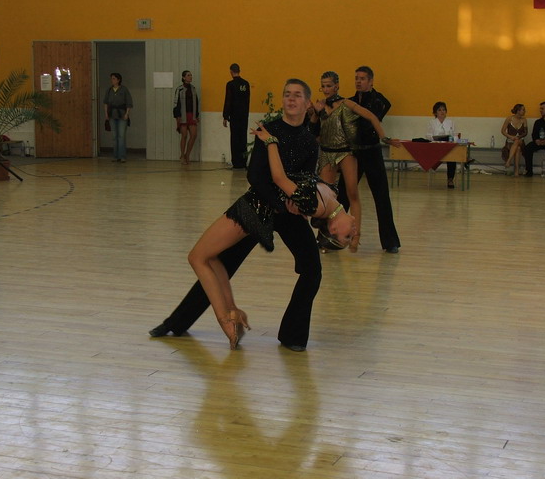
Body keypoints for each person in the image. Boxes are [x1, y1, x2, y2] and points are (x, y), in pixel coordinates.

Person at [149, 79, 327, 352]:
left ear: (307, 103)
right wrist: (281, 203)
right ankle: (176, 322)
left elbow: (305, 180)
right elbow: (255, 175)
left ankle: (293, 335)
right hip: (258, 206)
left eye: (297, 95)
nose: (291, 99)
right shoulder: (269, 130)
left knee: (312, 269)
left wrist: (298, 203)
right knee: (220, 262)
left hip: (288, 211)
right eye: (287, 94)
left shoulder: (308, 141)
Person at [188, 119, 356, 350]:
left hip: (255, 208)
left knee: (198, 257)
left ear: (334, 229)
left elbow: (279, 178)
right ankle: (231, 311)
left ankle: (225, 318)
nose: (353, 234)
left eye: (347, 238)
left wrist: (271, 141)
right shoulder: (332, 194)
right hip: (258, 205)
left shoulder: (313, 205)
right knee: (213, 257)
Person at [309, 71, 394, 252]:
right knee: (327, 199)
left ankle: (356, 237)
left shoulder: (347, 103)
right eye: (323, 86)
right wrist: (315, 113)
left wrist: (384, 138)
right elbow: (313, 132)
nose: (326, 89)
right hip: (327, 153)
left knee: (353, 194)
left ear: (337, 86)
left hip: (347, 153)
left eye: (329, 85)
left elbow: (371, 116)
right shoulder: (321, 105)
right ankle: (327, 239)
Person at [336, 66, 401, 254]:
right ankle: (331, 237)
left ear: (371, 81)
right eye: (356, 78)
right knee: (342, 196)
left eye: (362, 78)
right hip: (353, 154)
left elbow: (367, 123)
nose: (358, 81)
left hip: (372, 153)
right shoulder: (350, 101)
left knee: (381, 196)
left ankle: (390, 241)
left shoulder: (379, 101)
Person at [223, 63, 251, 169]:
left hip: (234, 116)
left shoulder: (230, 84)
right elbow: (247, 100)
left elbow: (228, 100)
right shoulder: (246, 84)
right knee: (243, 138)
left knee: (235, 139)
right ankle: (243, 161)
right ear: (239, 70)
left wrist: (225, 116)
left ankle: (236, 163)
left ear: (231, 72)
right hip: (244, 115)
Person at [103, 72, 133, 163]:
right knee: (114, 136)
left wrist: (127, 114)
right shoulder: (109, 90)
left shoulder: (124, 90)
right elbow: (106, 103)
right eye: (111, 79)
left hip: (122, 114)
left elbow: (129, 103)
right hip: (112, 114)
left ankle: (122, 156)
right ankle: (115, 156)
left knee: (121, 136)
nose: (112, 80)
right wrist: (106, 114)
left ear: (118, 80)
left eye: (114, 79)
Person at [427, 101, 457, 189]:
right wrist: (435, 138)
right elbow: (428, 135)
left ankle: (450, 179)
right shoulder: (432, 122)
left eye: (444, 110)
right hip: (436, 147)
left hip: (448, 146)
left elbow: (455, 135)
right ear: (435, 112)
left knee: (452, 156)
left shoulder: (451, 122)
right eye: (439, 110)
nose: (442, 112)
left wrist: (452, 139)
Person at [173, 70, 199, 165]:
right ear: (183, 77)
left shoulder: (193, 89)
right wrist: (177, 116)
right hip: (182, 115)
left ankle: (187, 154)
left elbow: (196, 102)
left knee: (194, 135)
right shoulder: (179, 89)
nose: (190, 77)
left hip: (192, 114)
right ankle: (182, 156)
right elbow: (176, 103)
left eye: (191, 75)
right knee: (184, 136)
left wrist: (196, 115)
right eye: (188, 75)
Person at [500, 104, 528, 176]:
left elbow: (525, 133)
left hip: (520, 140)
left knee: (517, 141)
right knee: (518, 149)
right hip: (510, 141)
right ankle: (516, 171)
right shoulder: (509, 119)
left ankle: (509, 160)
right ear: (518, 111)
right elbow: (503, 131)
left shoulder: (524, 120)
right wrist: (510, 137)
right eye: (523, 110)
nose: (524, 111)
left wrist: (518, 137)